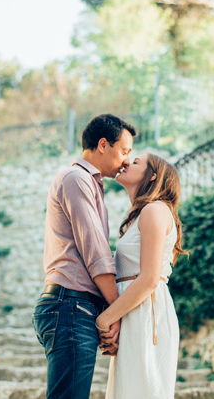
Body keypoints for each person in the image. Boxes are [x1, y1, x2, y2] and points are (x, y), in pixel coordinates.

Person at [34, 114, 136, 399]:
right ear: (103, 144)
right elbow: (96, 253)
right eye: (124, 151)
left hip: (74, 308)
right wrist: (115, 313)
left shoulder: (88, 183)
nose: (127, 161)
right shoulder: (75, 178)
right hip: (70, 307)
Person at [95, 153, 188, 399]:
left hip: (147, 314)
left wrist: (104, 320)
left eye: (135, 162)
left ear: (153, 175)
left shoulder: (154, 211)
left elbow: (149, 279)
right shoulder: (142, 215)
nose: (126, 162)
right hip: (135, 312)